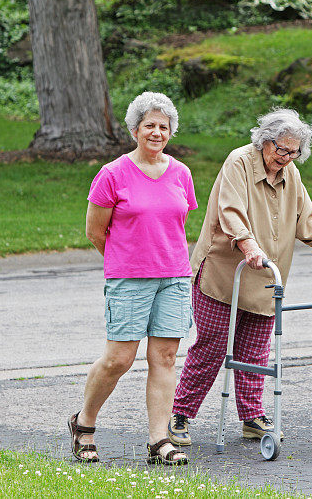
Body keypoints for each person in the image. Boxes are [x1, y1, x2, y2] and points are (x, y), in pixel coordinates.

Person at [167, 108, 312, 446]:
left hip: (267, 277)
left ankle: (251, 417)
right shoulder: (239, 162)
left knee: (255, 350)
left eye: (293, 152)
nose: (285, 157)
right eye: (280, 149)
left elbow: (305, 218)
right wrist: (248, 245)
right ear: (265, 141)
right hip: (225, 274)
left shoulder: (290, 173)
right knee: (212, 346)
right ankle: (180, 414)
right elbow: (230, 210)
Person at [68, 92, 197, 465]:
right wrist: (125, 264)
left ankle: (159, 440)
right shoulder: (112, 174)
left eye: (163, 126)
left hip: (173, 276)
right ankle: (84, 424)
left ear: (170, 132)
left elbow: (175, 223)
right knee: (119, 359)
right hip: (129, 280)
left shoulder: (181, 173)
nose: (157, 132)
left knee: (166, 358)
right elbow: (95, 232)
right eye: (149, 126)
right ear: (135, 130)